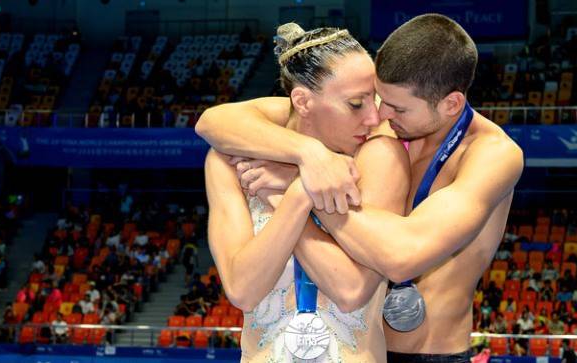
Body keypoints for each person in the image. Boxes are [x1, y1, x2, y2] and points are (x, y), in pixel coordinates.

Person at [196, 14, 523, 361]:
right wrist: (306, 152)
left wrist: (299, 187)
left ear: (451, 105)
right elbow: (215, 121)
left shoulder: (491, 155)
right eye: (372, 100)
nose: (378, 116)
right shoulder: (374, 128)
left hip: (430, 352)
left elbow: (401, 258)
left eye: (395, 107)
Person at [203, 23, 410, 362]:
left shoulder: (381, 157)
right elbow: (242, 289)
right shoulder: (229, 161)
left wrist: (289, 192)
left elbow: (351, 290)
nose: (374, 118)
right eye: (356, 104)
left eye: (374, 100)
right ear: (302, 101)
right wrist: (302, 188)